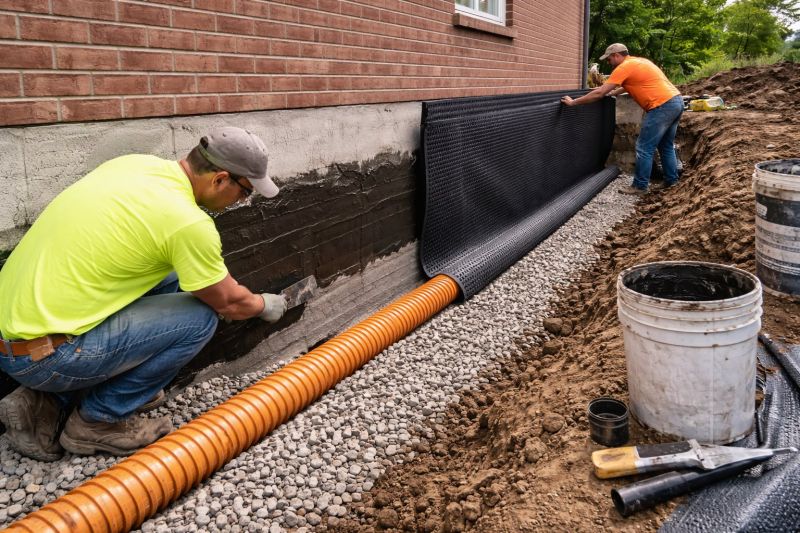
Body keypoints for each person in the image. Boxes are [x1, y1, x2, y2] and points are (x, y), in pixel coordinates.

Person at [0, 127, 290, 461]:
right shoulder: (188, 223)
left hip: (17, 339)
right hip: (48, 358)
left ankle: (39, 402)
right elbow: (228, 302)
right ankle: (98, 421)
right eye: (245, 192)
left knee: (172, 274)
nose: (243, 201)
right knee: (201, 318)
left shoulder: (133, 165)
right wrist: (263, 304)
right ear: (220, 179)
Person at [561, 43, 684, 195]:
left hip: (662, 106)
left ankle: (640, 186)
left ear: (616, 55)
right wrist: (613, 93)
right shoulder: (640, 62)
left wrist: (574, 102)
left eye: (609, 59)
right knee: (665, 145)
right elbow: (629, 85)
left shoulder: (624, 67)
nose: (608, 63)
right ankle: (671, 181)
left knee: (644, 147)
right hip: (676, 101)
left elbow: (599, 93)